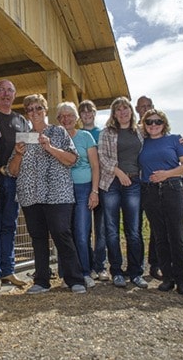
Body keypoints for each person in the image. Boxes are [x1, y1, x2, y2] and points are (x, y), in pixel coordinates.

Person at [7, 94, 87, 294]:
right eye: (30, 109)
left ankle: (74, 278)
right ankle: (42, 280)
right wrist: (18, 153)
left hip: (57, 193)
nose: (34, 112)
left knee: (61, 232)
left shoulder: (58, 131)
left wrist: (49, 147)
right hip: (30, 194)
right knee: (38, 237)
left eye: (38, 108)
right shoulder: (24, 137)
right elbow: (12, 171)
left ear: (45, 110)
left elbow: (72, 159)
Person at [138, 109, 183, 296]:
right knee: (160, 236)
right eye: (149, 122)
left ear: (164, 123)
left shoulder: (175, 140)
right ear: (144, 125)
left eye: (158, 121)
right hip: (150, 192)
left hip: (172, 189)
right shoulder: (141, 143)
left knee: (177, 235)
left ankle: (182, 280)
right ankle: (167, 277)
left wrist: (166, 174)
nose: (154, 125)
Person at [98, 97, 148, 289]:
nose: (122, 112)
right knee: (111, 230)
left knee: (134, 230)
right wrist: (118, 172)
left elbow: (160, 135)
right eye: (118, 109)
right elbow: (102, 157)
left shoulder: (140, 132)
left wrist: (181, 139)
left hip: (134, 182)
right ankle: (117, 271)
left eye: (125, 108)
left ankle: (136, 272)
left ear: (131, 111)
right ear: (113, 113)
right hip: (112, 183)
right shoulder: (106, 133)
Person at [0, 79, 29, 290]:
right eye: (1, 90)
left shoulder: (21, 120)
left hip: (13, 179)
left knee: (10, 225)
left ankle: (9, 271)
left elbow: (28, 150)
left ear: (14, 95)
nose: (5, 94)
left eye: (9, 90)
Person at [56, 102, 100, 289]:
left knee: (82, 233)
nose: (66, 119)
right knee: (64, 233)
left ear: (76, 118)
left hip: (83, 189)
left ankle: (84, 272)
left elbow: (95, 166)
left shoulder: (85, 136)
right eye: (62, 116)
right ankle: (67, 274)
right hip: (62, 190)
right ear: (58, 119)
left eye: (70, 115)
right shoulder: (56, 137)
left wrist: (94, 191)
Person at [79, 100, 109, 282]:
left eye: (89, 111)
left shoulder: (103, 133)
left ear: (95, 113)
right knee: (84, 229)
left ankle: (101, 265)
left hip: (102, 185)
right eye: (83, 112)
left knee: (102, 228)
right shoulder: (78, 134)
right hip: (83, 185)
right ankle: (87, 264)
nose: (87, 114)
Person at [135, 96, 162, 280]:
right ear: (137, 109)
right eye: (141, 107)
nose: (145, 109)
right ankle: (136, 266)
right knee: (134, 227)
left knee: (157, 227)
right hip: (135, 184)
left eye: (148, 106)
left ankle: (155, 264)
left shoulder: (157, 128)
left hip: (153, 185)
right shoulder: (133, 130)